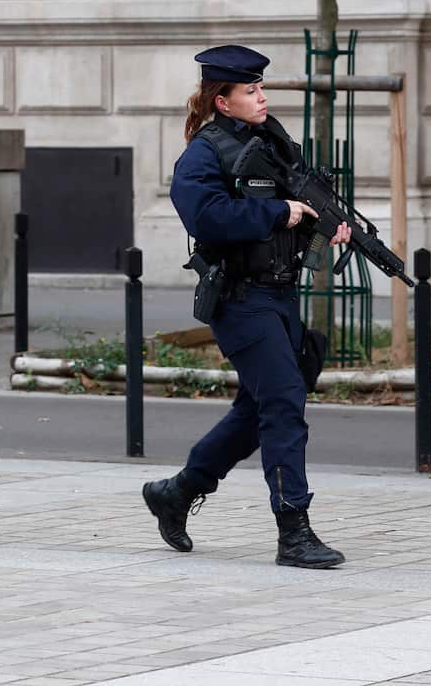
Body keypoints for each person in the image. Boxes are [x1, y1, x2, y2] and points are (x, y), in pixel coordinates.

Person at [142, 44, 352, 570]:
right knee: (284, 401)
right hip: (238, 298)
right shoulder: (201, 156)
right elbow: (208, 219)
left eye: (261, 88)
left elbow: (302, 194)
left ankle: (178, 490)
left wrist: (329, 227)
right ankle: (293, 531)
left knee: (258, 408)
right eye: (250, 91)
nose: (261, 97)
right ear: (222, 101)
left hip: (279, 294)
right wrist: (278, 211)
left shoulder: (272, 141)